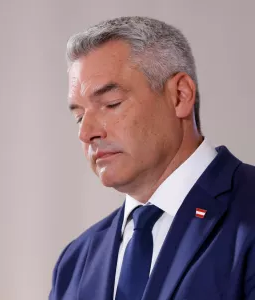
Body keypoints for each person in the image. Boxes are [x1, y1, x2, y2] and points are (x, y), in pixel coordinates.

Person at [49, 16, 255, 300]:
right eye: (79, 117)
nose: (87, 133)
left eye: (111, 104)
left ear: (180, 96)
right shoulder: (74, 263)